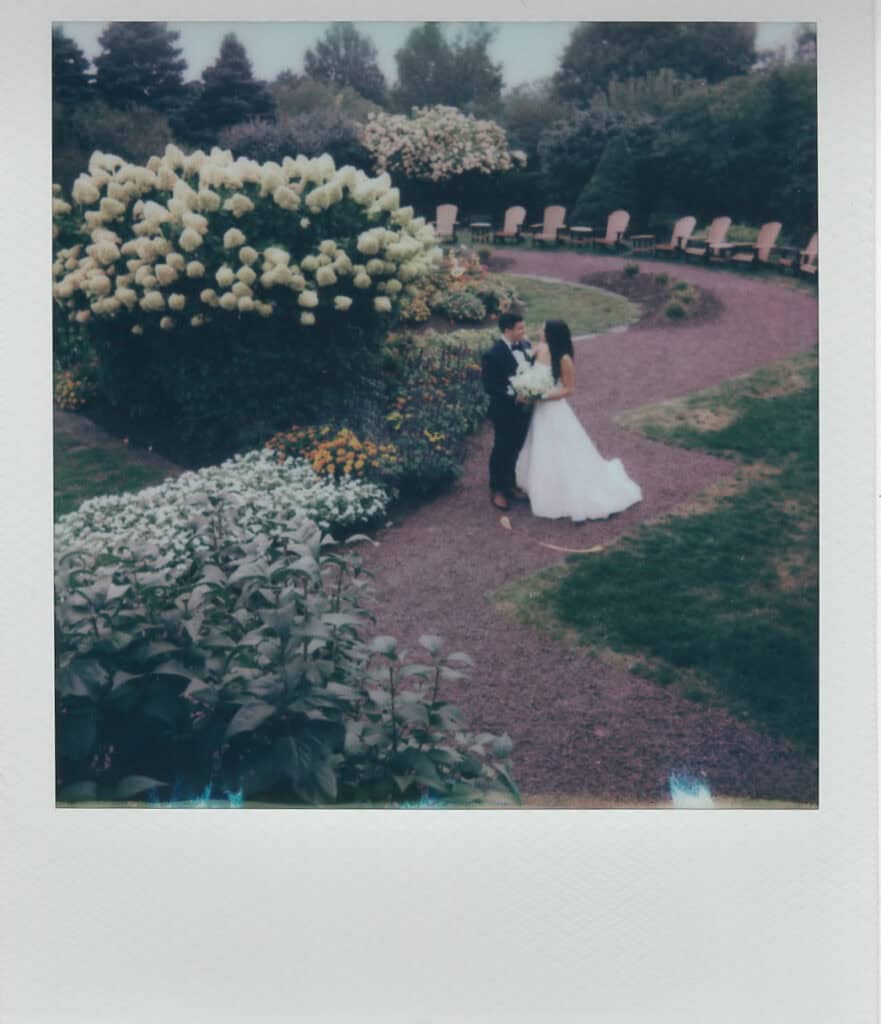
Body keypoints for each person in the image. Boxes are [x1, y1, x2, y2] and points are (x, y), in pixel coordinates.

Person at [516, 319, 642, 522]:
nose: (539, 330)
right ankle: (542, 485)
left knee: (560, 448)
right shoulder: (540, 349)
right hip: (538, 411)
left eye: (543, 328)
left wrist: (541, 396)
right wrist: (526, 387)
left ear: (551, 333)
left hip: (553, 410)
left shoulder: (564, 358)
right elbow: (529, 371)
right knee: (540, 446)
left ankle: (562, 493)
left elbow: (569, 389)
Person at [481, 311, 534, 510]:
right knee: (502, 449)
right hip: (504, 411)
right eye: (520, 328)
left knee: (516, 448)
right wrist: (514, 395)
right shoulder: (493, 354)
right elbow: (490, 386)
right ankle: (497, 490)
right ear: (507, 330)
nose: (524, 331)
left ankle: (511, 484)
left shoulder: (526, 346)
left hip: (524, 411)